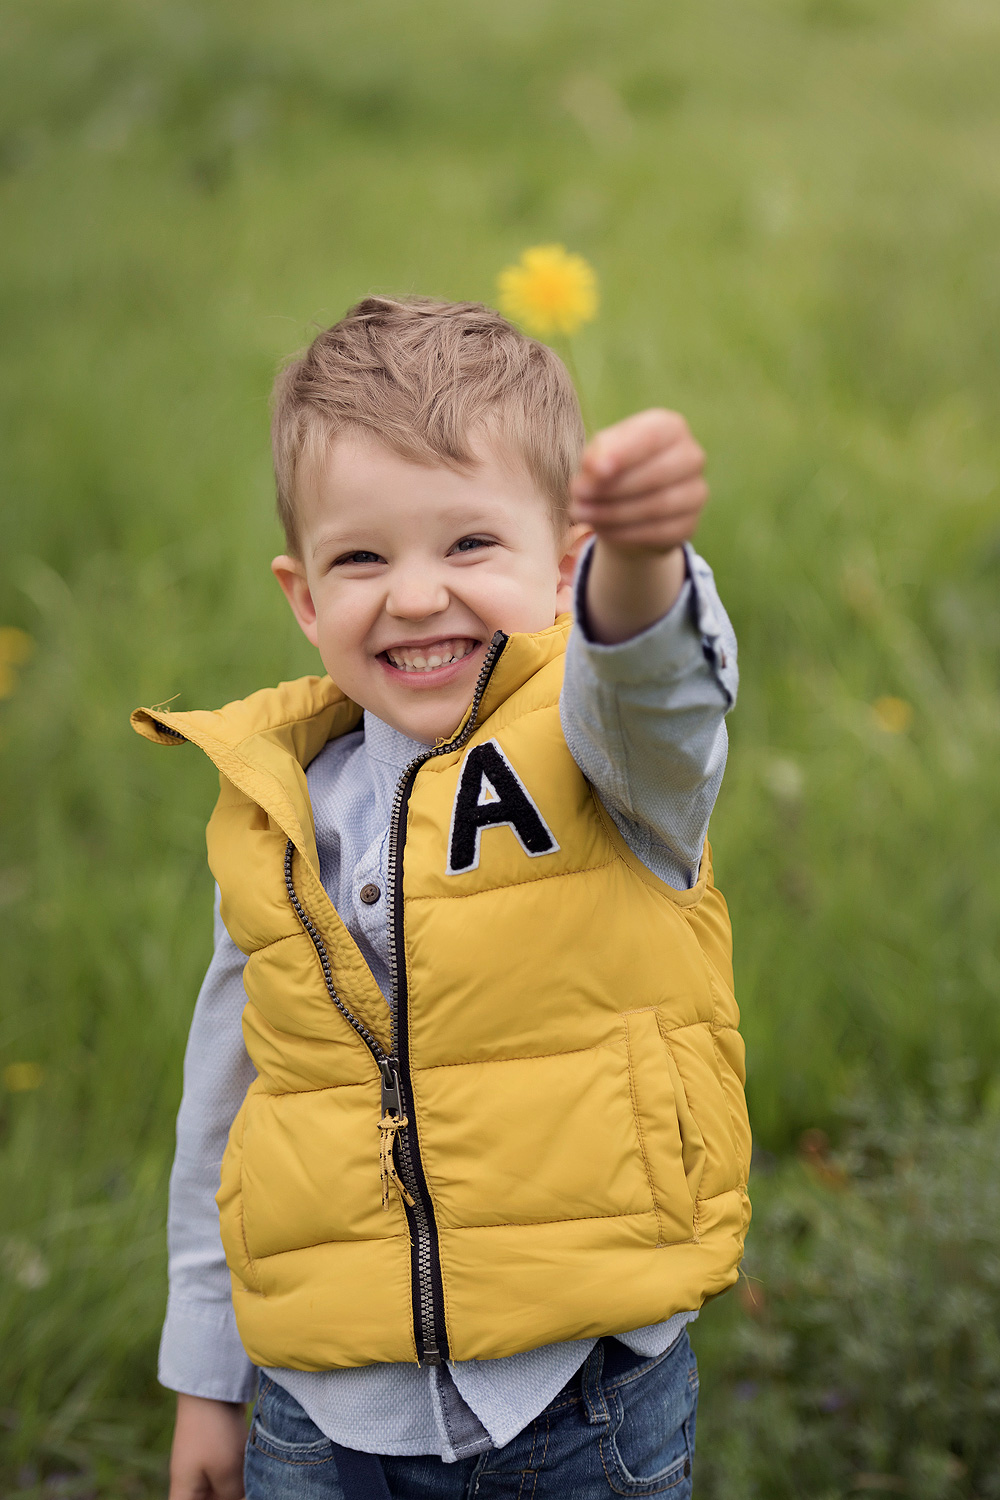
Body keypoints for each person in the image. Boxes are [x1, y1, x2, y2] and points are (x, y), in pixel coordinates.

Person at [132, 296, 750, 1500]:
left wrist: (640, 560)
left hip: (580, 1407)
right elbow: (230, 1103)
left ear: (561, 564)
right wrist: (206, 1376)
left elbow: (659, 694)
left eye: (470, 546)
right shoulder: (277, 812)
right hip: (323, 1422)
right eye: (362, 558)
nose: (415, 598)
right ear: (303, 597)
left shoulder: (601, 756)